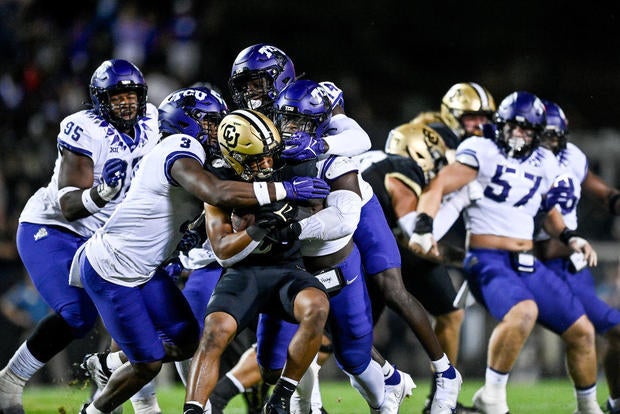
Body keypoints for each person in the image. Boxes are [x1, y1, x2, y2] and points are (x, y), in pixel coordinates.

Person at [76, 88, 331, 414]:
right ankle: (96, 408)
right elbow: (214, 191)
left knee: (185, 341)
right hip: (116, 266)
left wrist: (190, 232)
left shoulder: (192, 153)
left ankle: (112, 362)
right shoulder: (182, 146)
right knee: (150, 362)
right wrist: (285, 189)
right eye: (209, 121)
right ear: (186, 121)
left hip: (144, 267)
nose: (216, 129)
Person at [410, 91, 603, 414]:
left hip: (527, 261)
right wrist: (423, 225)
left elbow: (549, 211)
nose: (517, 133)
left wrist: (572, 238)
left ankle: (588, 407)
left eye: (526, 129)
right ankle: (492, 397)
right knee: (524, 312)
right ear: (500, 124)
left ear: (538, 133)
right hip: (487, 258)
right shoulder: (481, 150)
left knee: (582, 332)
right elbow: (440, 185)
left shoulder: (545, 162)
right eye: (512, 126)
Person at [0, 58, 160, 414]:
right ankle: (10, 380)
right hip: (54, 229)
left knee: (137, 308)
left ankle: (122, 390)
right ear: (98, 100)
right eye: (116, 96)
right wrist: (102, 194)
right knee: (78, 314)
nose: (126, 103)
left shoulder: (152, 122)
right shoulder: (84, 128)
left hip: (107, 236)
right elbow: (70, 204)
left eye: (131, 95)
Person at [182, 108, 331, 414]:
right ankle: (194, 409)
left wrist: (292, 220)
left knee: (318, 306)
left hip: (287, 269)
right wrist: (261, 225)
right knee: (214, 331)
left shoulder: (291, 168)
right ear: (235, 159)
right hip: (243, 273)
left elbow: (319, 215)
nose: (266, 163)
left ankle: (280, 400)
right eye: (255, 160)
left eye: (269, 156)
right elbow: (223, 250)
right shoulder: (220, 181)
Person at [405, 81, 495, 413]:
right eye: (471, 117)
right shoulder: (430, 134)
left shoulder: (476, 148)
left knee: (451, 315)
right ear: (452, 114)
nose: (479, 124)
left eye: (484, 117)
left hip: (417, 244)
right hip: (398, 235)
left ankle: (441, 401)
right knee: (347, 328)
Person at [534, 100, 620, 414]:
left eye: (553, 136)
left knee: (615, 330)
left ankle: (614, 404)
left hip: (570, 265)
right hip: (532, 264)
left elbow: (603, 193)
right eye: (541, 135)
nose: (546, 143)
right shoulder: (521, 164)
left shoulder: (572, 157)